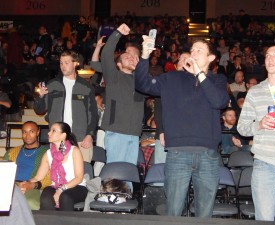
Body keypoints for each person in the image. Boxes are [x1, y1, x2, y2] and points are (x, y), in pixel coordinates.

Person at [135, 37, 229, 217]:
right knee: (174, 212)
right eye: (192, 50)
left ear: (211, 58)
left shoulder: (217, 80)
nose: (193, 53)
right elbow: (142, 84)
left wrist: (199, 74)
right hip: (178, 154)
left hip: (208, 155)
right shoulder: (172, 78)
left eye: (199, 51)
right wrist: (145, 55)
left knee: (204, 213)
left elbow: (219, 101)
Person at [237, 45, 275, 222]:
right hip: (264, 163)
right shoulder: (255, 92)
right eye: (267, 56)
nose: (270, 59)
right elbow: (242, 127)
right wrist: (260, 124)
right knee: (264, 219)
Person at [33, 50, 98, 162]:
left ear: (75, 63)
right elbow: (40, 110)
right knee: (59, 173)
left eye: (66, 62)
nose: (63, 66)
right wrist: (40, 97)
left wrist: (90, 135)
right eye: (61, 63)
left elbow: (93, 114)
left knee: (82, 174)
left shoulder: (86, 87)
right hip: (58, 138)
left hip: (81, 139)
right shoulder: (52, 85)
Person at [99, 23, 144, 165]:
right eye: (127, 57)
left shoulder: (141, 81)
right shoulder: (113, 76)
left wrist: (142, 64)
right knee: (116, 175)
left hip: (134, 134)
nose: (131, 58)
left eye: (133, 57)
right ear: (118, 64)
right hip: (116, 132)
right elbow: (106, 54)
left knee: (128, 175)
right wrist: (117, 33)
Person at [21, 122, 87, 211]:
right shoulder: (48, 153)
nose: (48, 133)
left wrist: (61, 189)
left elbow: (79, 178)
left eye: (53, 131)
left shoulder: (74, 151)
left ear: (63, 135)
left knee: (65, 197)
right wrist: (26, 183)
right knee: (46, 197)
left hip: (77, 186)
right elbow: (38, 177)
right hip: (56, 185)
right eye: (50, 131)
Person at [3, 121, 51, 210]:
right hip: (11, 185)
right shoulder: (11, 152)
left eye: (31, 132)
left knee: (30, 203)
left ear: (38, 132)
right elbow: (3, 171)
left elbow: (50, 177)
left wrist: (32, 185)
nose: (27, 136)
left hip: (32, 186)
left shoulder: (46, 153)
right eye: (24, 132)